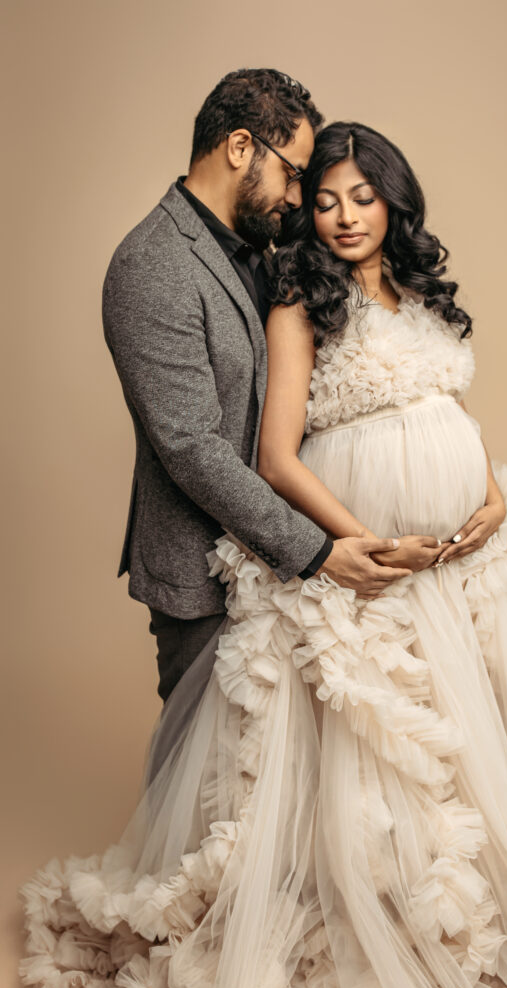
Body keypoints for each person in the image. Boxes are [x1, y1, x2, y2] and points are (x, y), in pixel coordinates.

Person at [18, 122, 507, 988]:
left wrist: (487, 492)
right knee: (378, 746)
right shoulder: (299, 297)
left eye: (361, 198)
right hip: (364, 551)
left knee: (480, 732)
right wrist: (356, 541)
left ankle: (496, 900)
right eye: (322, 199)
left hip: (460, 558)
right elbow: (277, 455)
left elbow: (445, 401)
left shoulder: (420, 292)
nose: (340, 217)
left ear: (393, 200)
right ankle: (378, 905)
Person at [101, 68, 413, 705]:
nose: (300, 197)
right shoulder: (151, 263)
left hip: (285, 565)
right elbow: (193, 448)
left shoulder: (262, 253)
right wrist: (321, 552)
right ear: (241, 148)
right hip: (205, 576)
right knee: (213, 780)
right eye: (294, 173)